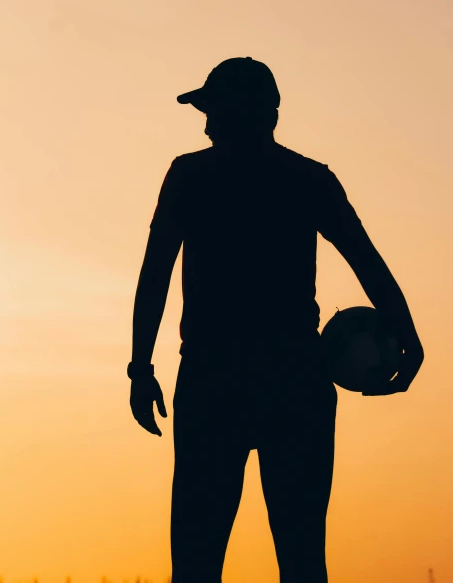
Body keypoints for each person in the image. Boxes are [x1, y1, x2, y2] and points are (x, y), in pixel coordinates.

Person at [128, 57, 424, 583]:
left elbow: (155, 273)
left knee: (196, 563)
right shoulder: (309, 179)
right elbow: (369, 264)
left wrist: (141, 367)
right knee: (303, 559)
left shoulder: (189, 176)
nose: (205, 123)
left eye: (211, 109)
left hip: (213, 381)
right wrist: (409, 338)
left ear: (236, 112)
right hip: (294, 384)